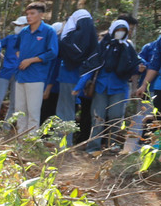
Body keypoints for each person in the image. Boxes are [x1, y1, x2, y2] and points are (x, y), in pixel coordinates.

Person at [82, 19, 140, 153]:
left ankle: (112, 145)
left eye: (123, 31)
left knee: (116, 116)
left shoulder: (127, 47)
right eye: (118, 30)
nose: (120, 33)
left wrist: (135, 85)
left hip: (119, 87)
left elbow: (134, 67)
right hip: (101, 86)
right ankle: (93, 147)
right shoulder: (103, 45)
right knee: (98, 117)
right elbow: (93, 63)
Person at [12, 2, 58, 133]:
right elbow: (16, 47)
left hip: (36, 76)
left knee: (33, 112)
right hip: (21, 75)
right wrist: (20, 57)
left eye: (32, 13)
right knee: (20, 111)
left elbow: (53, 52)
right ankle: (20, 140)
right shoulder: (24, 32)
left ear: (41, 15)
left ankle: (31, 143)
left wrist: (31, 60)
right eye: (27, 14)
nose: (29, 17)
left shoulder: (49, 31)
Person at [57, 8, 97, 125]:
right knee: (69, 109)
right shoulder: (92, 40)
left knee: (64, 109)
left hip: (68, 76)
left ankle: (63, 141)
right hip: (82, 79)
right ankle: (65, 140)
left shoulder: (68, 39)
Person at [0, 17, 27, 126]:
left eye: (19, 25)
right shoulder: (10, 38)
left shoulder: (29, 40)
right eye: (16, 25)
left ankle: (7, 126)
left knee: (14, 103)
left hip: (19, 73)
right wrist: (1, 56)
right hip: (5, 72)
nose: (17, 28)